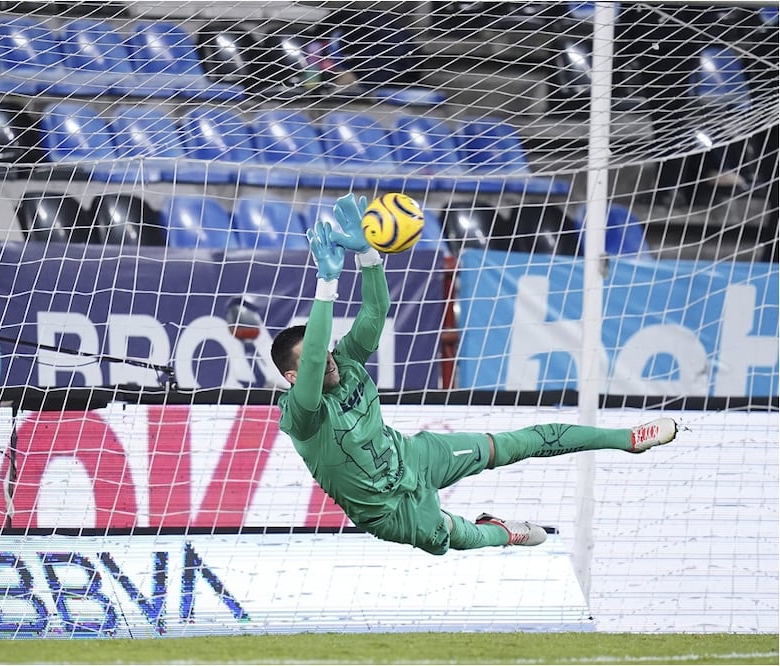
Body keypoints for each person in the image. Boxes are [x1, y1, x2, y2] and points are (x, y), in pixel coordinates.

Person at [271, 193, 679, 555]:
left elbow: (376, 311)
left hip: (413, 457)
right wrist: (327, 280)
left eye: (323, 348)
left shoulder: (346, 361)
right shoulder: (301, 413)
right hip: (387, 511)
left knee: (514, 444)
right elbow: (310, 366)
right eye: (310, 359)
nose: (323, 358)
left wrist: (368, 257)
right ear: (291, 377)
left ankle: (628, 440)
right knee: (451, 538)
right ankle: (503, 532)